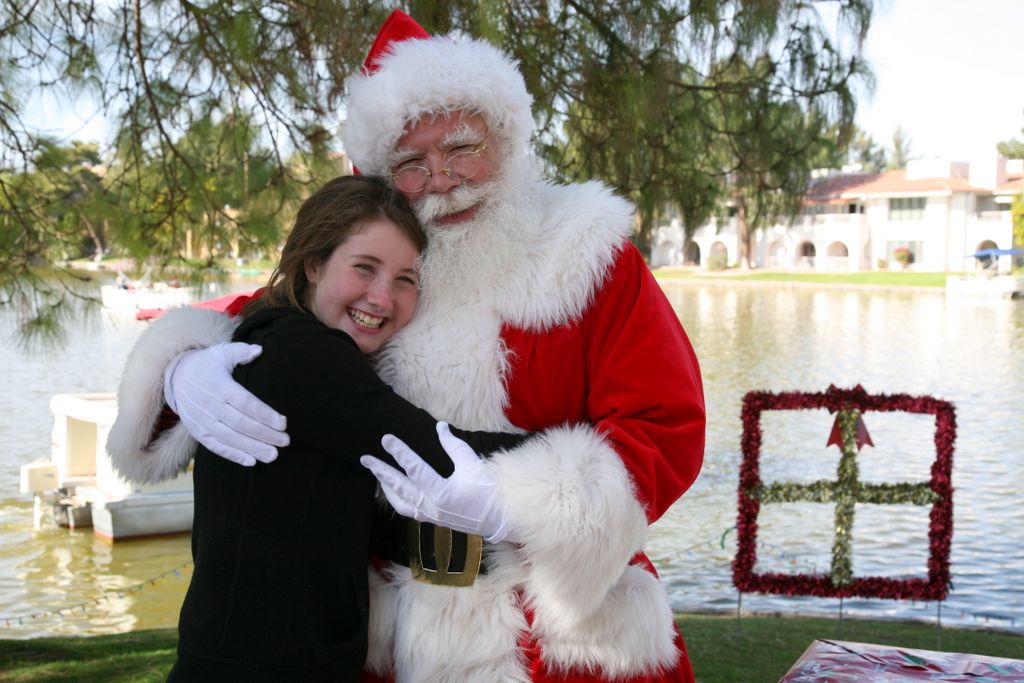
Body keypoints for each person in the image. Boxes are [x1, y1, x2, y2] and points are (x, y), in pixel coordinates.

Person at [107, 10, 706, 682]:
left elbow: (665, 427)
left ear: (505, 140)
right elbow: (262, 318)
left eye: (461, 148)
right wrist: (183, 367)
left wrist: (519, 500)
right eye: (412, 165)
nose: (444, 179)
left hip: (560, 633)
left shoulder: (588, 256)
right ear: (382, 178)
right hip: (391, 637)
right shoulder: (377, 280)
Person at [140, 175, 524, 681]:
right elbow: (422, 449)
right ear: (313, 265)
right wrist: (584, 455)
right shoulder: (304, 353)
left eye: (405, 279)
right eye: (364, 268)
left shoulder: (275, 341)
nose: (382, 298)